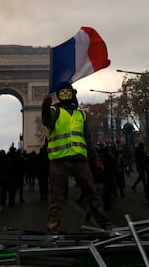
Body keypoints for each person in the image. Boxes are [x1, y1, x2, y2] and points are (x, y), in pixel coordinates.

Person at [42, 82, 112, 233]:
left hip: (80, 160)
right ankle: (53, 227)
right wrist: (45, 107)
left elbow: (88, 140)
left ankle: (105, 224)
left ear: (73, 93)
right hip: (59, 160)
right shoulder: (54, 110)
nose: (65, 94)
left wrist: (96, 158)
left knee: (92, 193)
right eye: (63, 92)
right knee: (57, 197)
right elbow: (47, 121)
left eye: (68, 91)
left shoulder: (81, 114)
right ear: (58, 95)